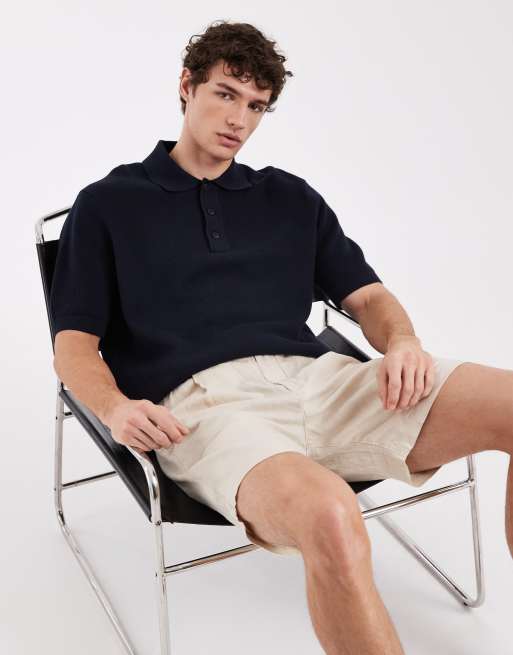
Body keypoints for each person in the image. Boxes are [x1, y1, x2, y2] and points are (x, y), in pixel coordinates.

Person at [50, 20, 513, 655]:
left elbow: (368, 297)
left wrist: (403, 341)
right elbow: (73, 345)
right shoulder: (108, 204)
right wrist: (115, 408)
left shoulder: (289, 197)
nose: (238, 119)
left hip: (320, 380)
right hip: (207, 410)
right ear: (186, 86)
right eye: (225, 94)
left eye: (256, 106)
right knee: (332, 516)